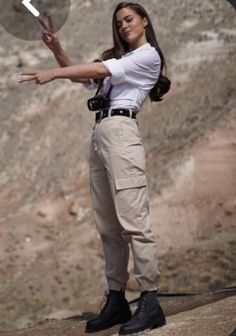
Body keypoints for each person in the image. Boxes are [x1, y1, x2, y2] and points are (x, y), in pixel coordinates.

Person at [20, 2, 171, 335]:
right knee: (108, 224)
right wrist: (57, 50)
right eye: (118, 23)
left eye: (129, 19)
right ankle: (117, 298)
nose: (123, 26)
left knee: (134, 221)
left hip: (121, 133)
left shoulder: (146, 57)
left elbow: (99, 71)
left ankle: (150, 300)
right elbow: (84, 78)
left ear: (144, 21)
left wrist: (52, 73)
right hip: (101, 134)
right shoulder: (119, 61)